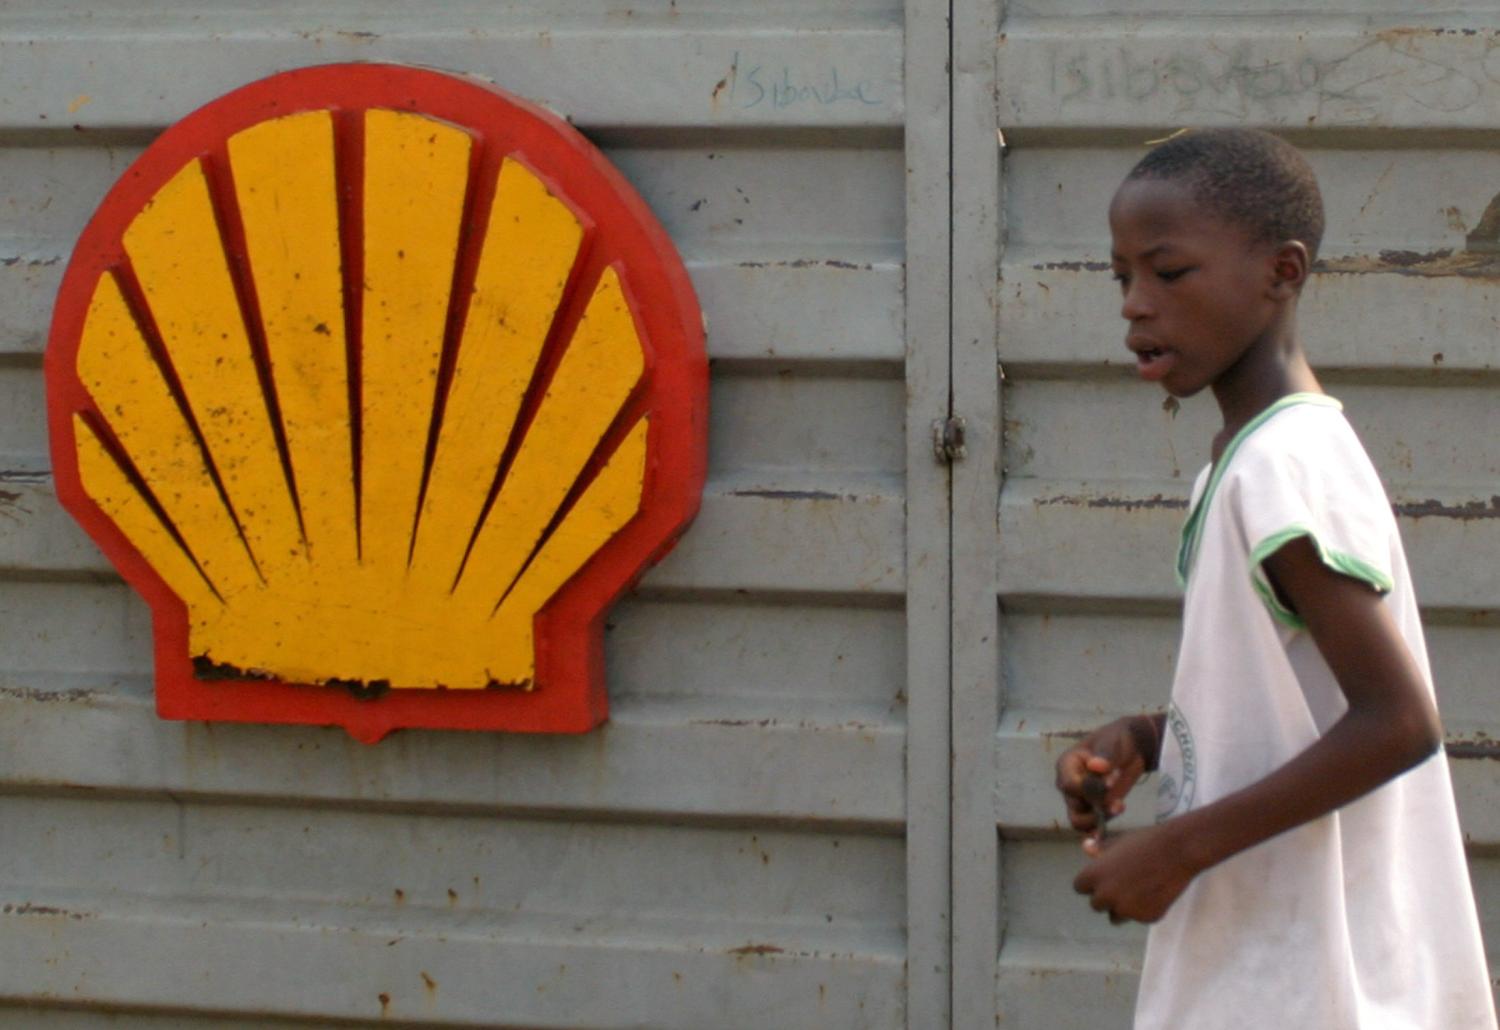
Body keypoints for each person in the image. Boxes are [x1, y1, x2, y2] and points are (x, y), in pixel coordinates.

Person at [1054, 127, 1497, 1028]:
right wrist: (1150, 735)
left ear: (1282, 273)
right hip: (1272, 961)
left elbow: (1398, 722)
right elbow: (1302, 695)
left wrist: (1174, 850)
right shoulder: (1247, 460)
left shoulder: (1280, 467)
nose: (1136, 306)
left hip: (1310, 982)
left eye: (1169, 274)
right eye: (1121, 277)